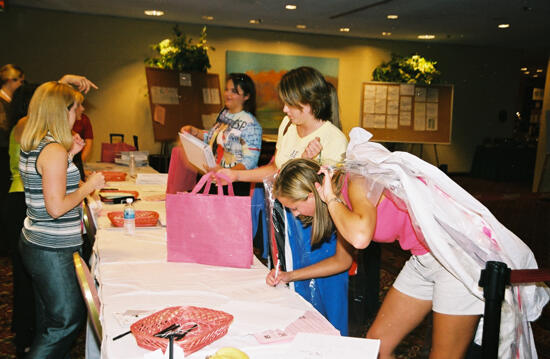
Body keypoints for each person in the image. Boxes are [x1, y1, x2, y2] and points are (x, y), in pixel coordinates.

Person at [271, 126, 549, 359]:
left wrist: (330, 199)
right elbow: (341, 261)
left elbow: (360, 236)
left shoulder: (356, 181)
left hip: (454, 260)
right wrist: (288, 275)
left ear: (312, 193)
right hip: (424, 259)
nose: (296, 215)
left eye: (294, 208)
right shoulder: (340, 208)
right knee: (379, 344)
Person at [18, 81, 105, 358]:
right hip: (51, 248)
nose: (78, 112)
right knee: (66, 321)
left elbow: (47, 182)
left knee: (50, 321)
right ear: (60, 111)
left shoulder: (40, 144)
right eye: (75, 107)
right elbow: (56, 208)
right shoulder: (52, 150)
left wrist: (70, 156)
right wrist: (88, 186)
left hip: (39, 242)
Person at [181, 73, 262, 196]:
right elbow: (214, 138)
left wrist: (228, 172)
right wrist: (195, 132)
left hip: (235, 187)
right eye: (226, 89)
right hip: (215, 181)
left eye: (234, 91)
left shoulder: (251, 124)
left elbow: (250, 162)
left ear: (246, 96)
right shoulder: (224, 114)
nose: (227, 95)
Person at [0, 64, 25, 255]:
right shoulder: (2, 101)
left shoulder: (9, 101)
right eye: (20, 81)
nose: (21, 85)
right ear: (11, 80)